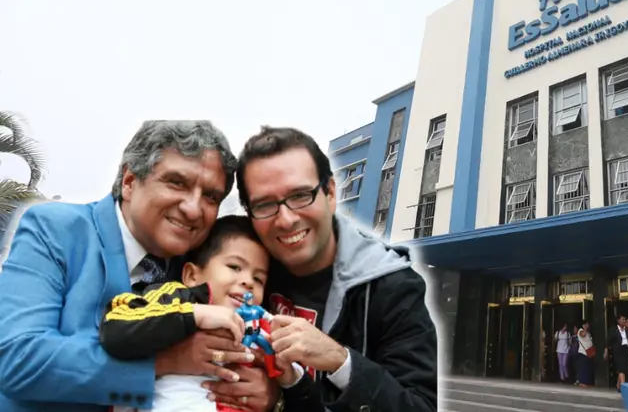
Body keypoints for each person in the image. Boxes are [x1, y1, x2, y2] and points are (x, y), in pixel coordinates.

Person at [0, 121, 277, 412]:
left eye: (211, 196)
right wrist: (164, 362)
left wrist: (269, 393)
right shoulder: (55, 229)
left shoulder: (203, 264)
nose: (193, 209)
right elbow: (17, 359)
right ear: (130, 181)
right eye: (177, 182)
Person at [219, 126, 437, 411]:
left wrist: (340, 361)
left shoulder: (393, 288)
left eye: (300, 195)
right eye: (265, 204)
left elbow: (418, 407)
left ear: (330, 192)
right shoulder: (243, 269)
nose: (285, 220)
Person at [99, 216, 323, 412]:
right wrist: (194, 315)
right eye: (235, 267)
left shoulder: (263, 326)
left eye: (258, 279)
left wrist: (286, 384)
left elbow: (309, 401)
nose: (247, 281)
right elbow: (115, 329)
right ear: (191, 275)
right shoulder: (175, 298)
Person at [574, 321, 595, 388]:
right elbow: (582, 334)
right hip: (583, 352)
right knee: (583, 368)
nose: (587, 325)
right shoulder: (581, 330)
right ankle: (582, 382)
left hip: (589, 353)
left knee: (588, 368)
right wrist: (585, 328)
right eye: (586, 324)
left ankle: (587, 382)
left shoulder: (588, 332)